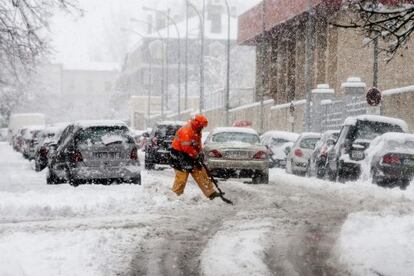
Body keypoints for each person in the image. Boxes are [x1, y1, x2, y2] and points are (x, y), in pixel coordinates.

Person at [170, 114, 220, 200]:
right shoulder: (186, 131)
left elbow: (197, 142)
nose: (203, 128)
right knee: (182, 177)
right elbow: (186, 148)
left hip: (190, 154)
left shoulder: (197, 130)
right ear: (197, 124)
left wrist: (200, 152)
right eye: (202, 126)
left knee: (200, 172)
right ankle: (175, 195)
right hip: (179, 155)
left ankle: (211, 193)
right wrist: (196, 155)